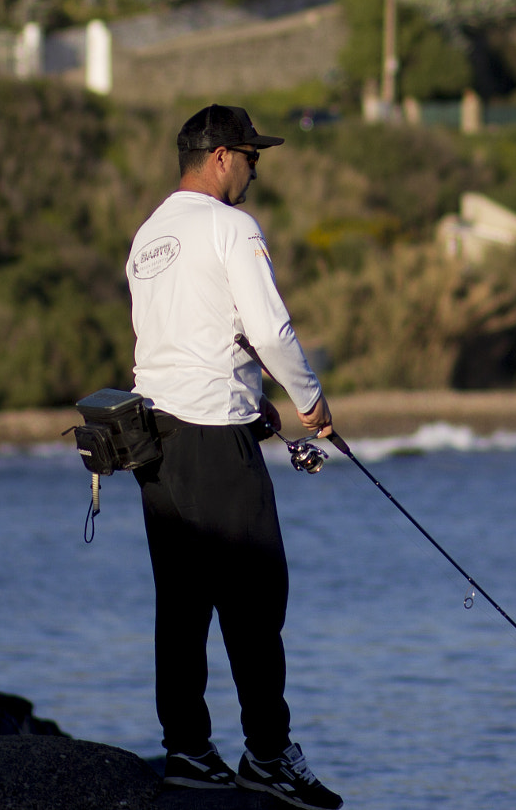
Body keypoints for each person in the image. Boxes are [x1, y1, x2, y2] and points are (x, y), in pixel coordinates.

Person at [126, 103, 342, 806]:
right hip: (215, 440)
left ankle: (186, 747)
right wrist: (310, 403)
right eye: (252, 155)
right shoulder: (231, 226)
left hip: (155, 440)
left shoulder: (148, 235)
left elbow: (184, 338)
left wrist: (256, 403)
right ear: (221, 155)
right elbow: (270, 328)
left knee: (181, 604)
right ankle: (269, 755)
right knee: (255, 597)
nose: (255, 168)